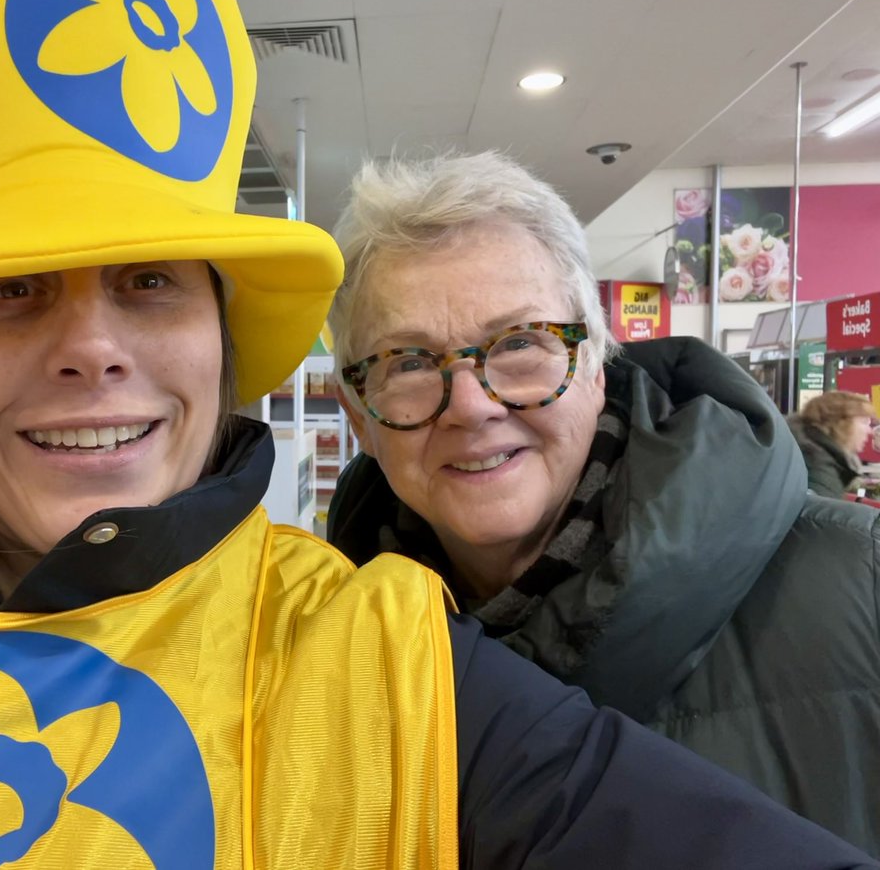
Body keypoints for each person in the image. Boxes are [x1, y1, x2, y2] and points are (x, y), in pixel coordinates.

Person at [0, 0, 876, 867]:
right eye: (8, 290)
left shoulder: (382, 652)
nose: (91, 345)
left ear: (218, 342)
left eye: (150, 279)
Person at [326, 150, 880, 856]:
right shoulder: (327, 647)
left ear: (594, 366)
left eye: (521, 343)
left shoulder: (861, 582)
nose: (470, 404)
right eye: (406, 362)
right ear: (358, 416)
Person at [789, 390, 878, 497]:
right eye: (864, 422)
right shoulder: (817, 462)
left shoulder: (816, 451)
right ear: (841, 423)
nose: (869, 431)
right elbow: (824, 510)